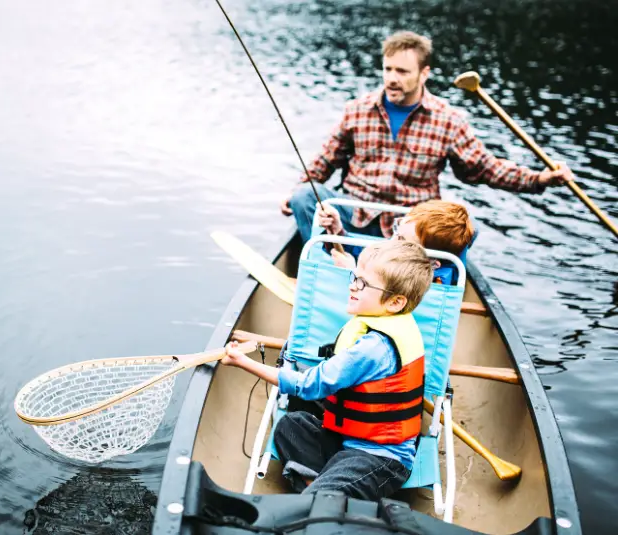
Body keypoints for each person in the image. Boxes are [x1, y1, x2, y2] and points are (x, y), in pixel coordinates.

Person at [280, 30, 574, 243]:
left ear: (424, 74)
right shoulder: (357, 110)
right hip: (354, 215)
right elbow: (325, 159)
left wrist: (540, 179)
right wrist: (295, 190)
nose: (392, 78)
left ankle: (417, 279)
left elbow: (485, 168)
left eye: (402, 71)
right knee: (305, 196)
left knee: (469, 228)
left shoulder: (448, 119)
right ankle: (329, 261)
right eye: (388, 69)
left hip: (409, 229)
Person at [222, 240, 433, 500]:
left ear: (395, 302)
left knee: (324, 496)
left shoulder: (373, 347)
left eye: (362, 284)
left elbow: (309, 386)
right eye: (355, 277)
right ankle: (319, 487)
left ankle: (320, 494)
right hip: (346, 442)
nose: (352, 286)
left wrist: (243, 361)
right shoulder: (392, 320)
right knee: (291, 424)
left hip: (381, 459)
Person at [318, 199, 475, 284]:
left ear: (432, 263)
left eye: (401, 239)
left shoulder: (423, 288)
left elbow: (381, 303)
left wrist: (352, 273)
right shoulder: (402, 256)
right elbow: (375, 253)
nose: (393, 240)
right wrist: (339, 232)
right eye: (397, 228)